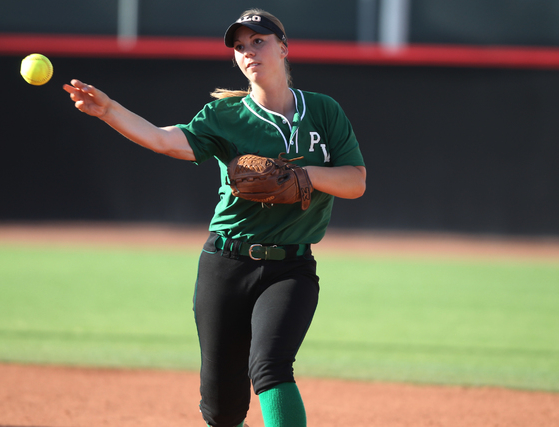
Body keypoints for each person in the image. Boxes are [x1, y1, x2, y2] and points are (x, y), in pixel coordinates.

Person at [63, 8, 366, 427]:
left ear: (283, 48)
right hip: (226, 264)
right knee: (223, 407)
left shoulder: (323, 111)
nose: (248, 52)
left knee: (271, 366)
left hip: (291, 266)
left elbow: (355, 181)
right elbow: (163, 140)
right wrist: (109, 110)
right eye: (240, 47)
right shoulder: (225, 116)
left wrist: (302, 175)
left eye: (258, 41)